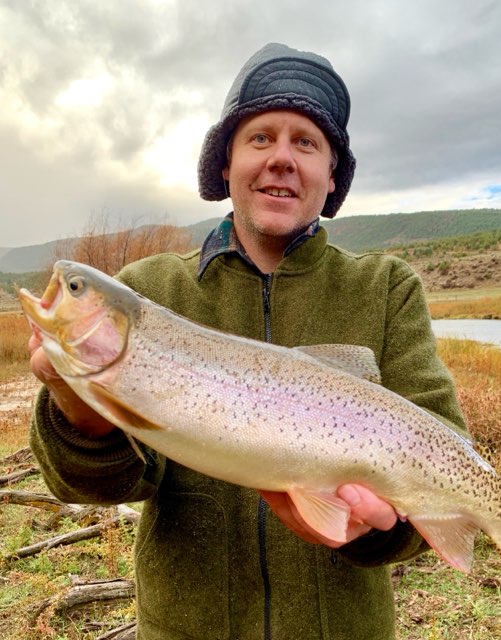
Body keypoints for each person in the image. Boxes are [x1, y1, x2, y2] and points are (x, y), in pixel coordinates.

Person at [29, 43, 467, 639]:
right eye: (260, 137)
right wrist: (81, 408)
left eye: (306, 142)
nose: (281, 158)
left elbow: (445, 453)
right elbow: (97, 486)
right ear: (226, 163)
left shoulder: (386, 289)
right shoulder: (150, 290)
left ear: (332, 175)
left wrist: (379, 530)